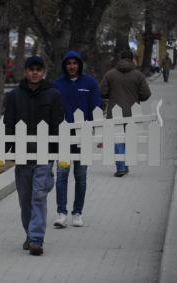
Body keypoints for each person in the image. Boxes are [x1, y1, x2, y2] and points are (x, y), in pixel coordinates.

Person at [4, 55, 64, 255]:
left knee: (39, 196)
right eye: (32, 69)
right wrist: (9, 150)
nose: (35, 72)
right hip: (23, 156)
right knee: (25, 199)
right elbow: (9, 125)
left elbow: (57, 125)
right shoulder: (13, 96)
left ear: (44, 72)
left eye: (39, 69)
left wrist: (55, 152)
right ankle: (30, 235)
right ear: (25, 71)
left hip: (44, 156)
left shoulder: (53, 95)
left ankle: (37, 239)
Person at [52, 50, 102, 228]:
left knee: (80, 177)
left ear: (79, 64)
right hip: (63, 138)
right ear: (64, 65)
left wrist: (98, 134)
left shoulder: (90, 83)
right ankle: (61, 212)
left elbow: (96, 108)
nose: (72, 66)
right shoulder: (56, 84)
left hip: (84, 137)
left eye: (75, 63)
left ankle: (77, 212)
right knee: (62, 175)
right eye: (68, 63)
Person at [100, 49, 151, 177]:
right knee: (129, 139)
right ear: (132, 59)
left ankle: (121, 167)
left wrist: (111, 95)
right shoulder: (138, 75)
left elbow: (102, 92)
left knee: (117, 139)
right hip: (132, 112)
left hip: (114, 112)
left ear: (120, 58)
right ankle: (125, 164)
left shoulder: (110, 74)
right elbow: (146, 94)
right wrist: (136, 97)